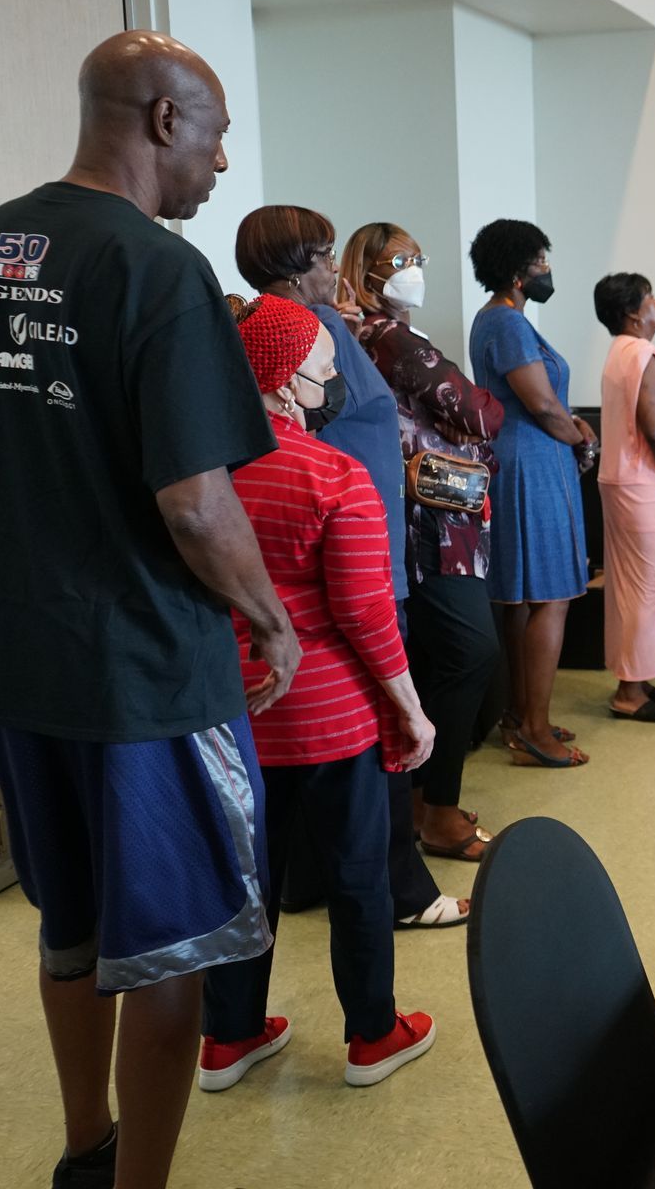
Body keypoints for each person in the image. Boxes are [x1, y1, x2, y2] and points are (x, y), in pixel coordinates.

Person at [0, 31, 294, 1189]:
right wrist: (272, 617)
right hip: (140, 674)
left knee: (70, 930)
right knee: (168, 949)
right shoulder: (159, 268)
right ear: (166, 120)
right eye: (219, 136)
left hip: (16, 665)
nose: (223, 166)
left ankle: (87, 1149)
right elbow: (194, 500)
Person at [198, 295, 439, 1094]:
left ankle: (228, 1036)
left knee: (244, 879)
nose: (337, 377)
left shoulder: (199, 477)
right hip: (333, 719)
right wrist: (408, 707)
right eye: (326, 366)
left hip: (232, 715)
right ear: (288, 377)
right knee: (357, 877)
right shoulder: (335, 475)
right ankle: (373, 1035)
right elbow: (366, 613)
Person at [234, 208, 474, 914]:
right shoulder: (300, 333)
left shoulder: (310, 324)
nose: (333, 270)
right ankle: (401, 890)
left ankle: (318, 881)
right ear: (298, 263)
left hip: (360, 534)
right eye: (326, 255)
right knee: (381, 739)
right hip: (348, 544)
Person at [342, 219, 505, 861]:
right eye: (401, 259)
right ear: (369, 273)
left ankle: (425, 798)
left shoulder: (391, 337)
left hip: (440, 513)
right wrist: (474, 415)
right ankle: (435, 807)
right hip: (430, 526)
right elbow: (478, 412)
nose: (415, 267)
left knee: (447, 657)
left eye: (418, 254)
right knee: (471, 651)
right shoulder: (391, 339)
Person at [466, 218, 596, 767]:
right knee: (552, 595)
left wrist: (576, 429)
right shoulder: (510, 324)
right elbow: (541, 405)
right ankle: (537, 732)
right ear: (519, 270)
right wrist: (583, 439)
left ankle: (520, 718)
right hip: (533, 464)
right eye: (541, 259)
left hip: (516, 460)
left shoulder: (494, 319)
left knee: (520, 599)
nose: (547, 269)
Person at [594, 272, 655, 722]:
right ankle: (629, 692)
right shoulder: (644, 354)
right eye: (651, 296)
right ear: (633, 312)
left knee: (631, 586)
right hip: (642, 485)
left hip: (622, 480)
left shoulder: (621, 352)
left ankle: (639, 676)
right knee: (644, 589)